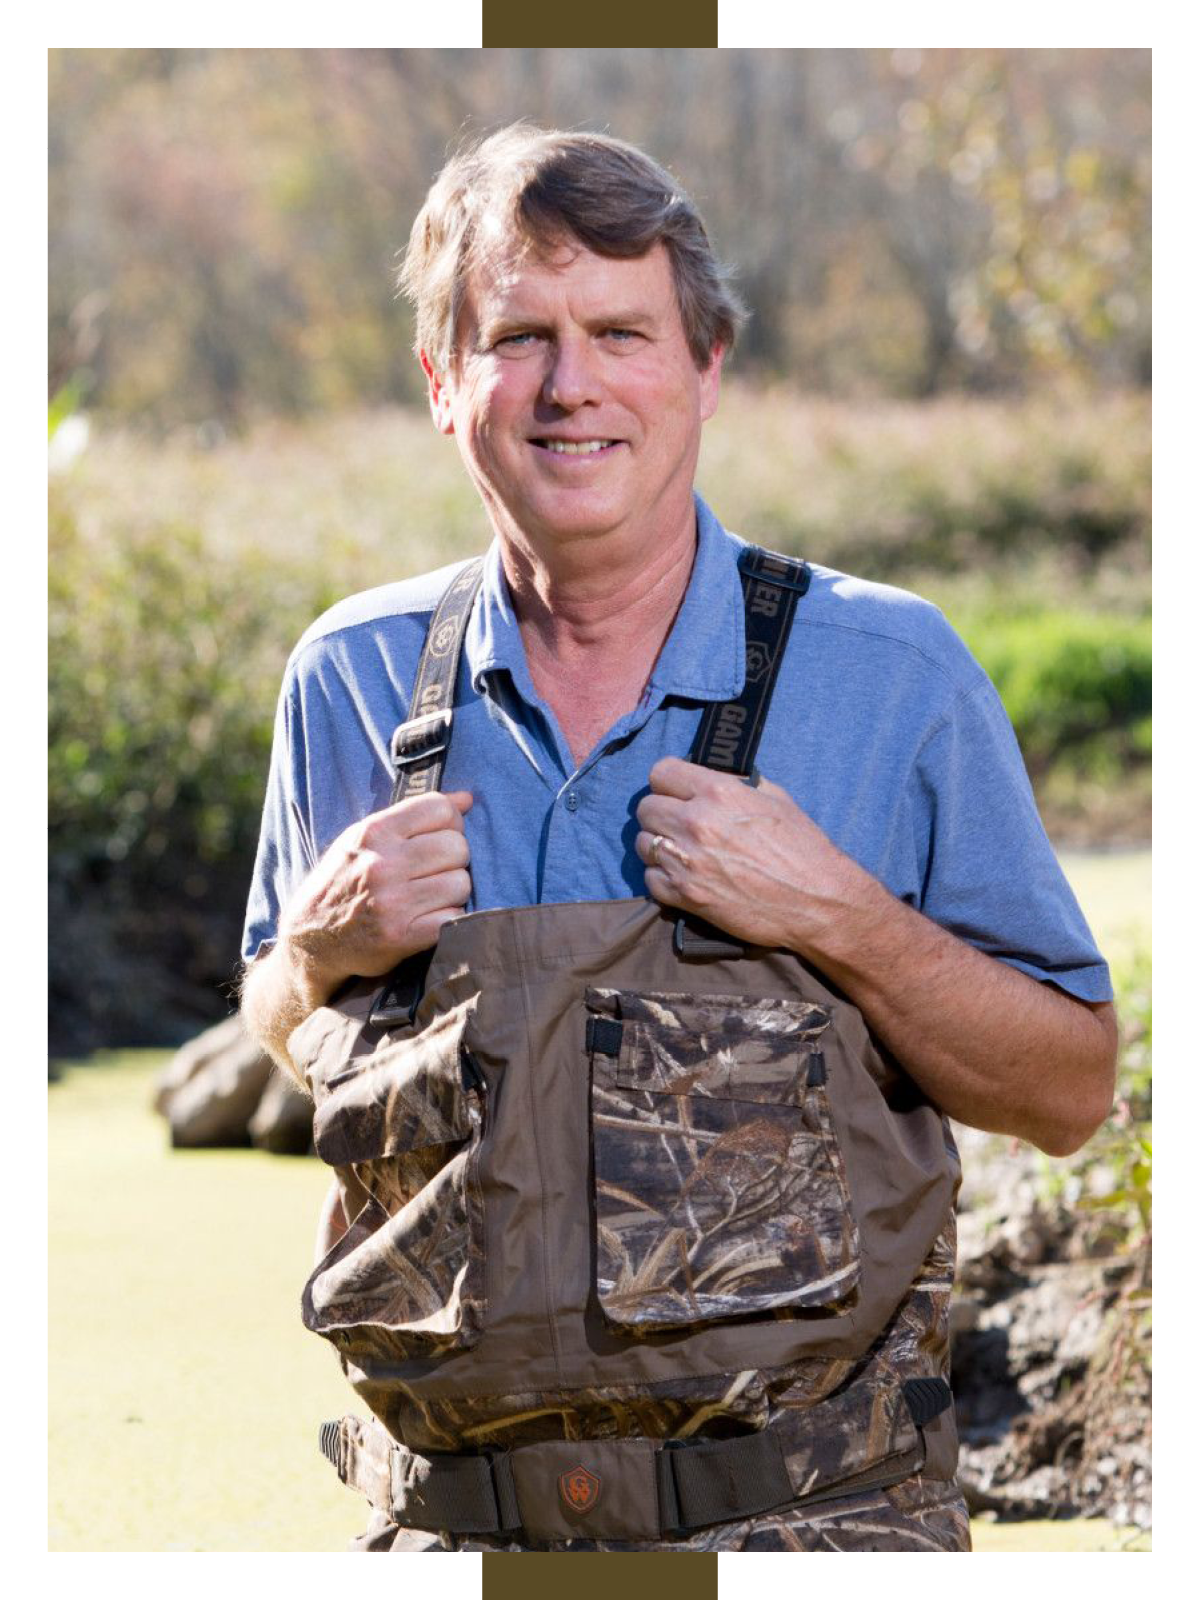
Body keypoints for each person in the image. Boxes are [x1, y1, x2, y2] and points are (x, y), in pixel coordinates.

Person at [240, 125, 1117, 1554]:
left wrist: (842, 917)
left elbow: (1070, 1088)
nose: (570, 384)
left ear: (705, 367)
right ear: (441, 383)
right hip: (452, 1537)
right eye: (517, 336)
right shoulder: (348, 679)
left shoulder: (891, 674)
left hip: (813, 1530)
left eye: (619, 333)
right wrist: (318, 952)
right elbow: (292, 1031)